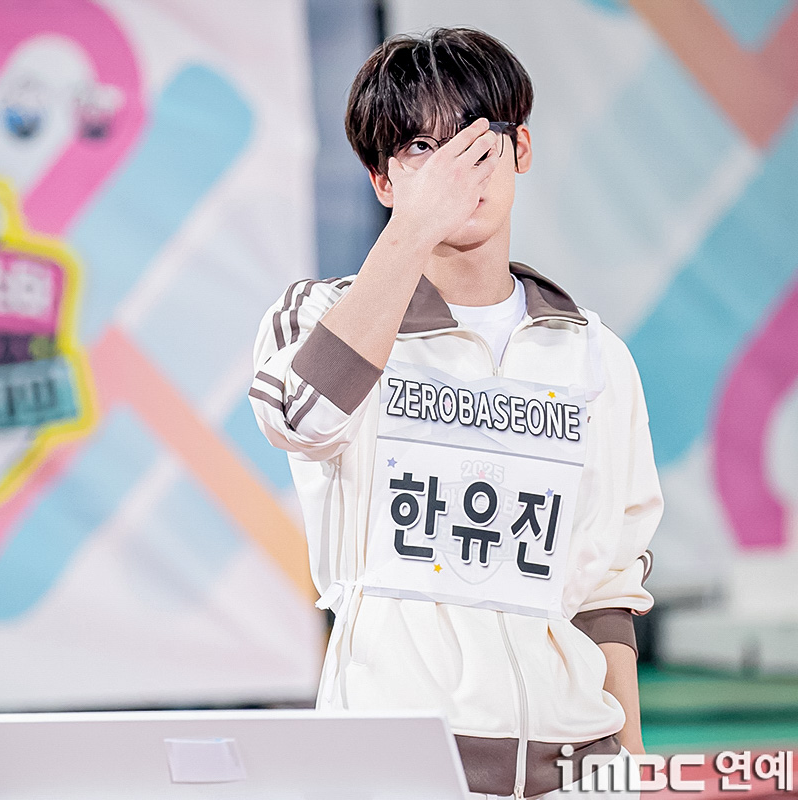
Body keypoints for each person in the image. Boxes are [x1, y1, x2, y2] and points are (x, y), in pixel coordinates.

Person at [248, 28, 659, 800]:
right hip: (395, 767)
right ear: (380, 180)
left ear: (520, 148)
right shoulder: (322, 315)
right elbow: (300, 419)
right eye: (418, 149)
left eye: (471, 139)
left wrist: (627, 769)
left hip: (577, 766)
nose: (450, 171)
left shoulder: (594, 355)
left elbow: (607, 584)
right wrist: (414, 229)